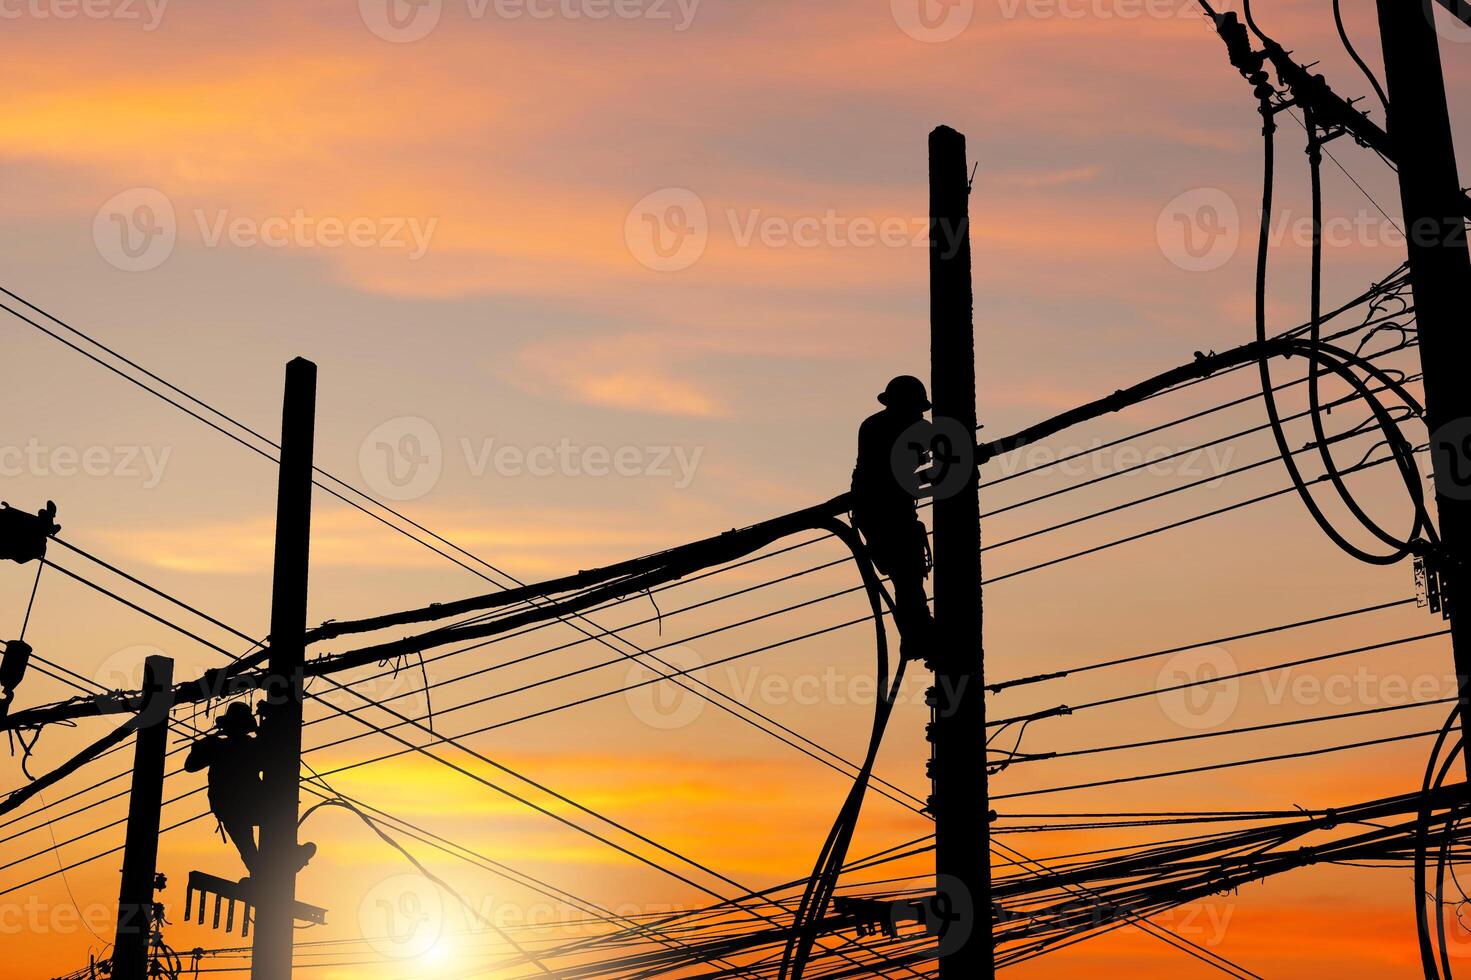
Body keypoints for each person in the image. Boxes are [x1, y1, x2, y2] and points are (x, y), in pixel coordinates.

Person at [851, 375, 936, 662]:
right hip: (882, 510)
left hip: (880, 510)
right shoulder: (880, 428)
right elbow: (889, 474)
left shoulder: (880, 426)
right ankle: (917, 636)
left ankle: (917, 636)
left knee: (907, 575)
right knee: (907, 573)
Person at [185, 701, 315, 879]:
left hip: (232, 807)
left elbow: (190, 765)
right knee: (273, 821)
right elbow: (273, 753)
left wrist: (202, 746)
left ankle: (268, 870)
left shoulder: (221, 747)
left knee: (250, 847)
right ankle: (278, 864)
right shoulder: (242, 746)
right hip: (244, 805)